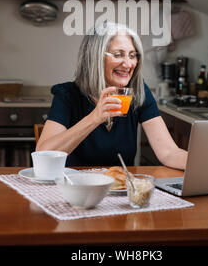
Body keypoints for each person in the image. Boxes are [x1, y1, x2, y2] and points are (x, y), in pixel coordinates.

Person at [37, 22, 187, 169]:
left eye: (132, 55)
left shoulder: (138, 91)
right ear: (95, 57)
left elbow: (169, 152)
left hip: (120, 189)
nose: (128, 64)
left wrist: (205, 165)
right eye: (118, 55)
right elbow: (44, 154)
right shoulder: (67, 95)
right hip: (76, 190)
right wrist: (95, 118)